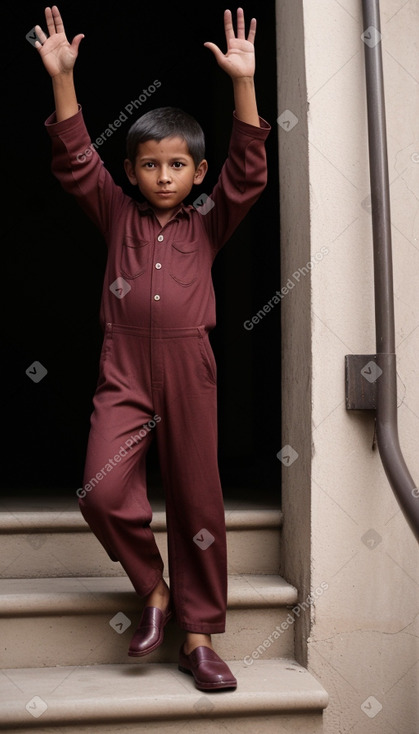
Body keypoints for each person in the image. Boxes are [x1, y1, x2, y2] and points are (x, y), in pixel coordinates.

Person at [33, 4, 270, 692]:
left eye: (176, 165)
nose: (163, 177)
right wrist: (63, 79)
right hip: (125, 370)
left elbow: (248, 171)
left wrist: (242, 84)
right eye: (149, 165)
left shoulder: (209, 219)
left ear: (197, 173)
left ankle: (198, 640)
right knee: (102, 493)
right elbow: (75, 157)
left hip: (190, 370)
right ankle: (154, 590)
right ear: (131, 171)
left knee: (198, 503)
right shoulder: (114, 212)